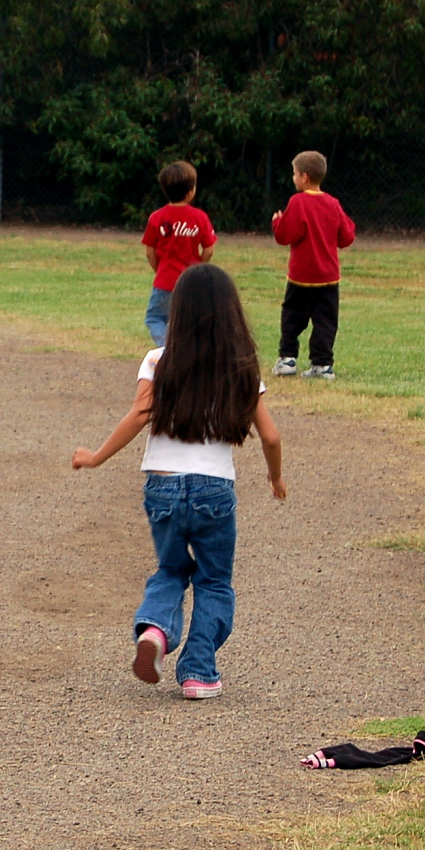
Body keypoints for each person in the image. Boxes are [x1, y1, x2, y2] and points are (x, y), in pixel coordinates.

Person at [71, 263, 285, 700]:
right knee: (213, 580)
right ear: (232, 313)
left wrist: (96, 457)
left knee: (171, 569)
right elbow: (272, 435)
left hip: (163, 487)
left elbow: (140, 414)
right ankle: (199, 672)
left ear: (178, 310)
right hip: (214, 490)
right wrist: (275, 477)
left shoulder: (157, 359)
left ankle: (154, 632)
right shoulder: (242, 367)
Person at [270, 149, 356, 380]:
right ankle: (322, 364)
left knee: (292, 317)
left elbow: (285, 236)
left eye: (295, 173)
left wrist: (278, 222)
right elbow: (346, 236)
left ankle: (287, 359)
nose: (293, 178)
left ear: (304, 177)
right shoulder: (332, 203)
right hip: (328, 277)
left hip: (301, 276)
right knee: (325, 322)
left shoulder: (297, 202)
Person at [141, 160, 216, 346]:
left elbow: (149, 251)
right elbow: (209, 248)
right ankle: (191, 350)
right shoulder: (200, 217)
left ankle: (168, 348)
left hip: (165, 281)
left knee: (155, 318)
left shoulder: (156, 217)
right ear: (190, 191)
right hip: (192, 282)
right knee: (192, 320)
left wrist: (159, 268)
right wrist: (199, 265)